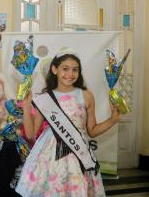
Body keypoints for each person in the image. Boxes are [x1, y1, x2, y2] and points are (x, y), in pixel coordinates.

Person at [15, 48, 121, 196]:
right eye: (65, 69)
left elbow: (92, 131)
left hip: (78, 155)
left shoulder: (86, 96)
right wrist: (26, 107)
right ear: (54, 69)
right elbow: (31, 133)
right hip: (49, 156)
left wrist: (113, 120)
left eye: (75, 70)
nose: (70, 74)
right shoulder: (45, 98)